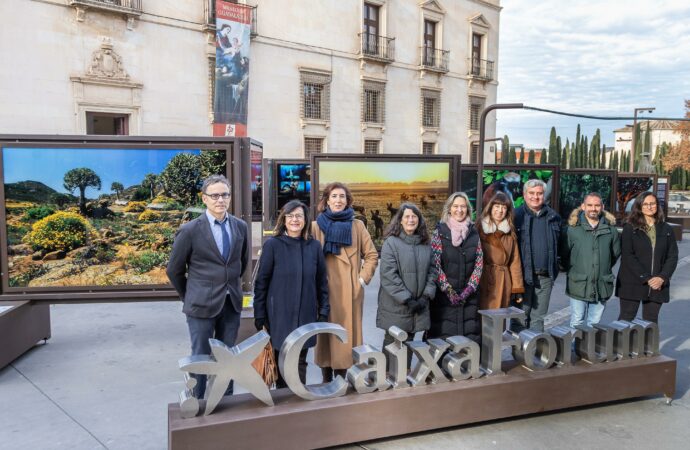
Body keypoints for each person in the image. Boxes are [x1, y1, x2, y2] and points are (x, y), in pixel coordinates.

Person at [166, 175, 248, 399]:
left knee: (227, 357)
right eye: (215, 195)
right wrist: (190, 296)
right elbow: (174, 270)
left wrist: (230, 286)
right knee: (200, 358)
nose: (220, 200)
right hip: (200, 305)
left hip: (230, 303)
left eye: (225, 195)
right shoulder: (190, 230)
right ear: (204, 199)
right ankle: (198, 403)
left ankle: (225, 402)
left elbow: (240, 263)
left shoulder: (240, 227)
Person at [253, 200, 329, 388]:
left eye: (299, 216)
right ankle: (282, 403)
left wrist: (324, 310)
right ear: (284, 219)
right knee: (280, 361)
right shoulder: (273, 245)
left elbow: (321, 282)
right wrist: (259, 314)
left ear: (305, 220)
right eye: (291, 216)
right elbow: (261, 283)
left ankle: (298, 402)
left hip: (305, 315)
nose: (295, 220)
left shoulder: (314, 247)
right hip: (279, 316)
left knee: (300, 361)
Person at [311, 182, 378, 382]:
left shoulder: (357, 226)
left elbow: (372, 255)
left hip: (350, 291)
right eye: (334, 196)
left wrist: (361, 280)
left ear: (348, 201)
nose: (338, 200)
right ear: (327, 200)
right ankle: (326, 379)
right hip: (324, 290)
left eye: (342, 196)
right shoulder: (315, 226)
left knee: (345, 337)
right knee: (325, 334)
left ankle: (341, 378)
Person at [376, 203, 436, 365]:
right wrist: (407, 299)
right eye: (407, 216)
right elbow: (389, 275)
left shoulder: (425, 244)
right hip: (396, 307)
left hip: (418, 307)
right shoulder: (391, 243)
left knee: (408, 343)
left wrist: (425, 296)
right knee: (393, 343)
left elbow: (433, 271)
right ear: (400, 220)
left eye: (414, 216)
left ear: (419, 220)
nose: (411, 220)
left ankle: (403, 381)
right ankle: (386, 381)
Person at [428, 192, 483, 343]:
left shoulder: (474, 234)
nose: (460, 210)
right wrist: (448, 289)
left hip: (468, 297)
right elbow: (435, 264)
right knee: (443, 335)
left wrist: (470, 289)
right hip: (444, 297)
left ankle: (465, 364)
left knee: (469, 335)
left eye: (463, 206)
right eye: (456, 206)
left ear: (468, 210)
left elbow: (479, 264)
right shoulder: (439, 233)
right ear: (449, 209)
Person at [616, 192, 678, 324]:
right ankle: (621, 346)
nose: (650, 207)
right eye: (646, 204)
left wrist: (662, 277)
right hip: (632, 281)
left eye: (653, 203)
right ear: (639, 206)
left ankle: (648, 346)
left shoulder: (666, 229)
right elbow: (628, 256)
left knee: (651, 322)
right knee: (625, 319)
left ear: (657, 205)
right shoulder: (630, 228)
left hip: (657, 284)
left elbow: (672, 256)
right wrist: (647, 278)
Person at [562, 192, 620, 328]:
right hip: (578, 283)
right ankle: (575, 349)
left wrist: (601, 268)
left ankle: (588, 349)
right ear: (583, 206)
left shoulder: (611, 231)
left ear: (602, 206)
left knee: (595, 323)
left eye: (597, 205)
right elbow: (565, 255)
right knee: (577, 321)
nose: (593, 209)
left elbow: (614, 255)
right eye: (589, 205)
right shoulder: (572, 229)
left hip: (602, 284)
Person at [512, 179, 561, 332]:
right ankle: (518, 353)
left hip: (545, 277)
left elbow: (561, 245)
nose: (535, 197)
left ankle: (533, 353)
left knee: (538, 317)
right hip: (523, 277)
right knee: (520, 315)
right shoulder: (515, 216)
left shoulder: (553, 217)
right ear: (525, 195)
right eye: (531, 193)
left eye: (539, 193)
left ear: (544, 195)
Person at [478, 192, 524, 310]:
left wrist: (517, 288)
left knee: (499, 318)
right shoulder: (479, 228)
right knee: (481, 317)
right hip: (482, 278)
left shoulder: (510, 233)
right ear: (490, 207)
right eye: (497, 206)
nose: (500, 210)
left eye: (504, 207)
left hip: (503, 280)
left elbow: (515, 262)